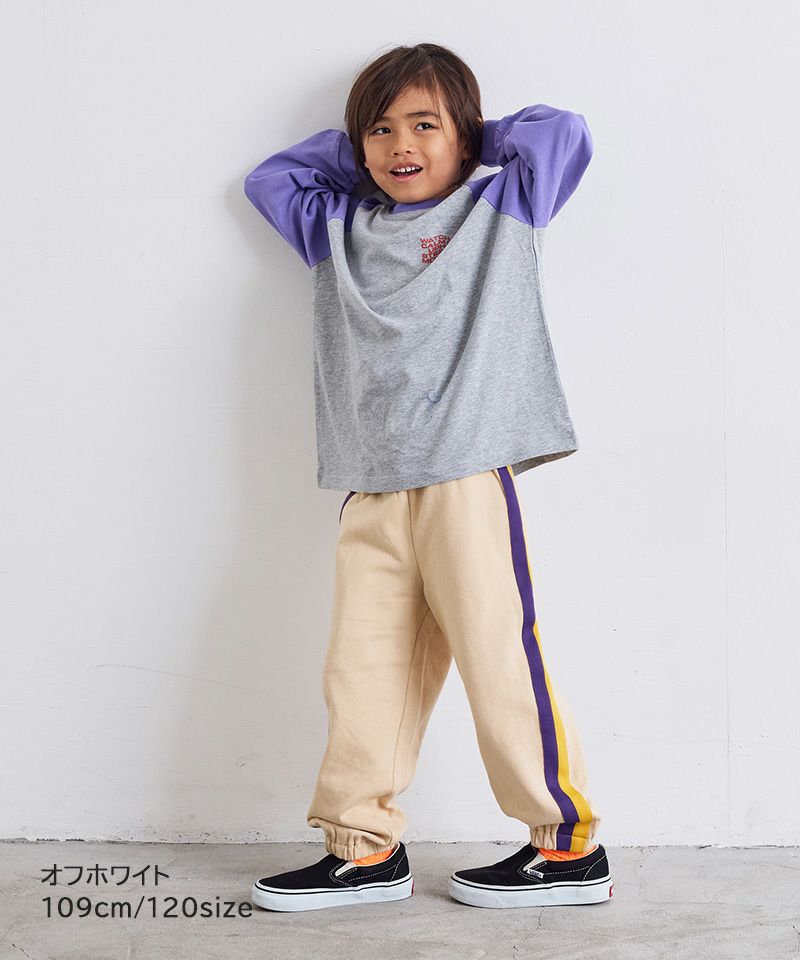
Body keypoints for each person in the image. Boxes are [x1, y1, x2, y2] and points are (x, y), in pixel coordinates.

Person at [242, 42, 613, 912]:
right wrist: (368, 152)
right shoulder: (334, 226)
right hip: (373, 485)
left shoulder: (502, 203)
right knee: (361, 668)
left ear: (466, 135)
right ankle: (364, 848)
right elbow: (272, 179)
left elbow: (563, 133)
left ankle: (566, 850)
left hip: (463, 479)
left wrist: (471, 141)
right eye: (380, 130)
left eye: (423, 126)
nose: (400, 145)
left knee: (499, 659)